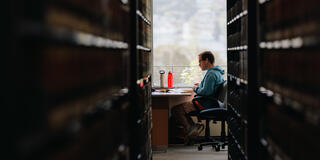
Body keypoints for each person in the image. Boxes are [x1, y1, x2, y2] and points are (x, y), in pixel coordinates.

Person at [171, 51, 225, 144]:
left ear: (207, 60)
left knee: (176, 110)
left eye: (200, 61)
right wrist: (200, 86)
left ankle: (192, 129)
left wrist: (195, 88)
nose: (199, 64)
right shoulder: (216, 72)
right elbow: (208, 89)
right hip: (210, 102)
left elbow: (206, 92)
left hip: (204, 103)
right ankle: (192, 130)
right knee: (179, 110)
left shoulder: (211, 74)